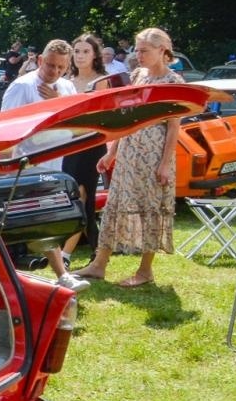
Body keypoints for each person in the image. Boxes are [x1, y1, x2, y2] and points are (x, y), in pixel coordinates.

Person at [75, 28, 186, 288]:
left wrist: (164, 164)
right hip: (129, 149)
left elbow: (173, 127)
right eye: (137, 49)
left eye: (144, 50)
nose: (139, 55)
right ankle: (99, 264)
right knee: (114, 204)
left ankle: (145, 270)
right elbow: (128, 119)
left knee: (150, 208)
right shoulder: (138, 75)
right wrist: (111, 152)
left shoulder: (173, 81)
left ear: (162, 50)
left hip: (155, 152)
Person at [0, 39, 87, 291]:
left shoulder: (67, 87)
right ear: (40, 60)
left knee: (46, 221)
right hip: (26, 167)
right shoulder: (22, 87)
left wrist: (57, 103)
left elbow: (77, 126)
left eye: (61, 67)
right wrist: (7, 167)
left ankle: (60, 274)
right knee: (26, 223)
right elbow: (7, 129)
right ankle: (16, 276)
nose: (55, 72)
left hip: (55, 166)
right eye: (50, 66)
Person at [61, 33, 112, 261]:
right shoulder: (67, 81)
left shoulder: (101, 80)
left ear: (95, 55)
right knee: (73, 194)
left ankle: (70, 253)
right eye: (77, 51)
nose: (80, 56)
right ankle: (93, 245)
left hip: (91, 143)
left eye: (85, 51)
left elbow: (102, 115)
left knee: (83, 194)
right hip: (69, 144)